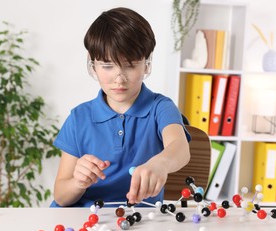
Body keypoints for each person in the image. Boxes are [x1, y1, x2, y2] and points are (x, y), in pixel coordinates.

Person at [50, 7, 191, 207]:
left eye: (130, 65)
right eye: (107, 66)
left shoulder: (161, 108)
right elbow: (61, 197)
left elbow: (180, 147)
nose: (119, 78)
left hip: (140, 221)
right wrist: (77, 182)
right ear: (92, 65)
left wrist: (160, 163)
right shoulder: (79, 118)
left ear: (147, 63)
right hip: (84, 221)